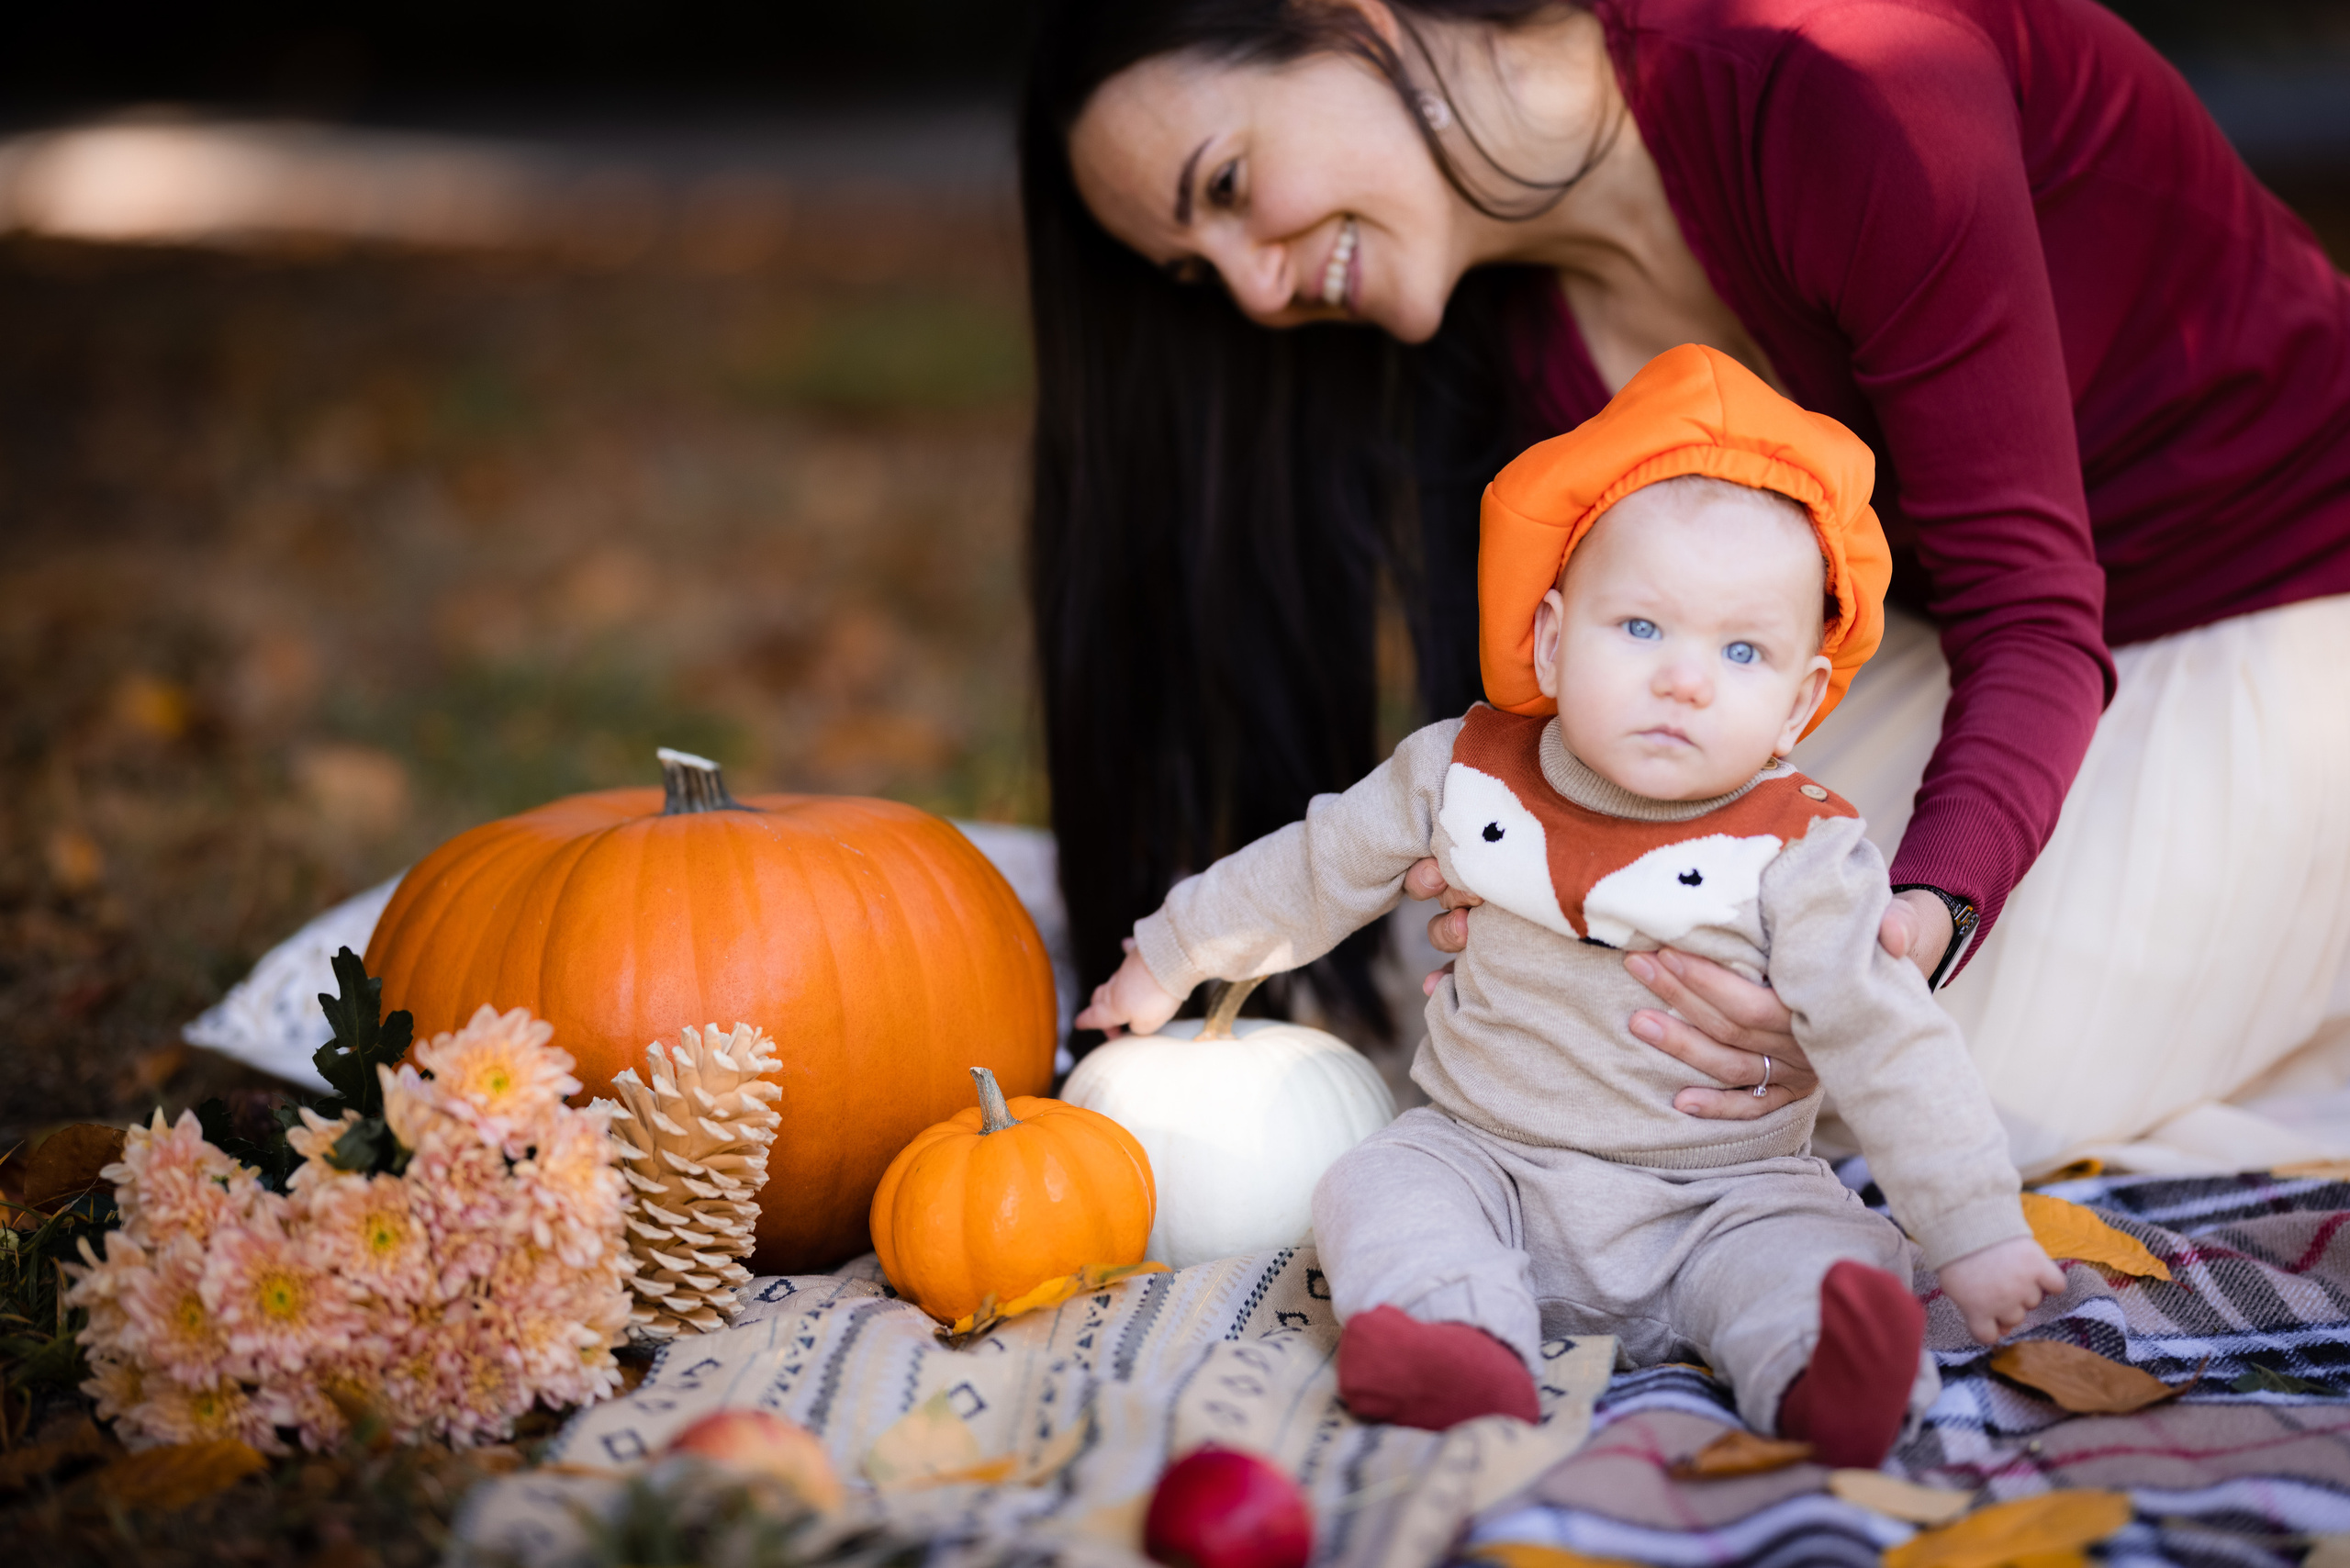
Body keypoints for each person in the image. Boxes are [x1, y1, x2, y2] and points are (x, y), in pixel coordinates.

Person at [1024, 0, 2350, 1174]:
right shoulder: (1516, 329)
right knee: (1607, 1019)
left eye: (1232, 183)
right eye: (1202, 270)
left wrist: (1910, 937)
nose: (1257, 292)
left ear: (1344, 12)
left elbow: (2033, 613)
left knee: (1924, 1092)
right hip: (1966, 665)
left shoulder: (1837, 78)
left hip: (2289, 593)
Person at [1076, 345, 2065, 1457]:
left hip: (1718, 1195)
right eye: (1640, 627)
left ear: (1798, 705)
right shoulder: (1466, 769)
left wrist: (1974, 1229)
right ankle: (1448, 1332)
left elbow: (1889, 1036)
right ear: (1551, 638)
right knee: (1373, 1183)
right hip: (1487, 1160)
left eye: (1740, 650)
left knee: (1813, 1249)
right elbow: (1319, 863)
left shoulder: (1806, 850)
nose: (1682, 678)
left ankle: (1818, 1365)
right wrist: (1169, 953)